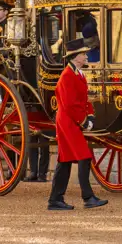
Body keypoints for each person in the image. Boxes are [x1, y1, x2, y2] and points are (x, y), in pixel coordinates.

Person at [47, 38, 107, 210]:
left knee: (65, 161)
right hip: (68, 121)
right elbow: (70, 105)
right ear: (74, 57)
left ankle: (55, 199)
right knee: (84, 156)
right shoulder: (67, 76)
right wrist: (83, 121)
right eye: (83, 54)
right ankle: (88, 197)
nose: (85, 55)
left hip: (71, 120)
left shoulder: (78, 74)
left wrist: (90, 115)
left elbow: (83, 100)